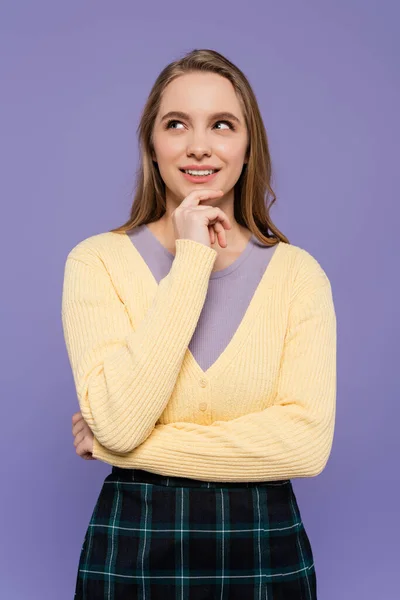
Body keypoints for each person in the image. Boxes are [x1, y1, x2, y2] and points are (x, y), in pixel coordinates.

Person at [62, 48, 336, 600]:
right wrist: (191, 260)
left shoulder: (298, 275)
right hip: (134, 547)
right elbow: (118, 416)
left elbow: (305, 446)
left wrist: (120, 450)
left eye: (222, 125)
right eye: (176, 124)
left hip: (266, 549)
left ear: (247, 145)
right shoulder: (95, 262)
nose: (199, 145)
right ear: (152, 145)